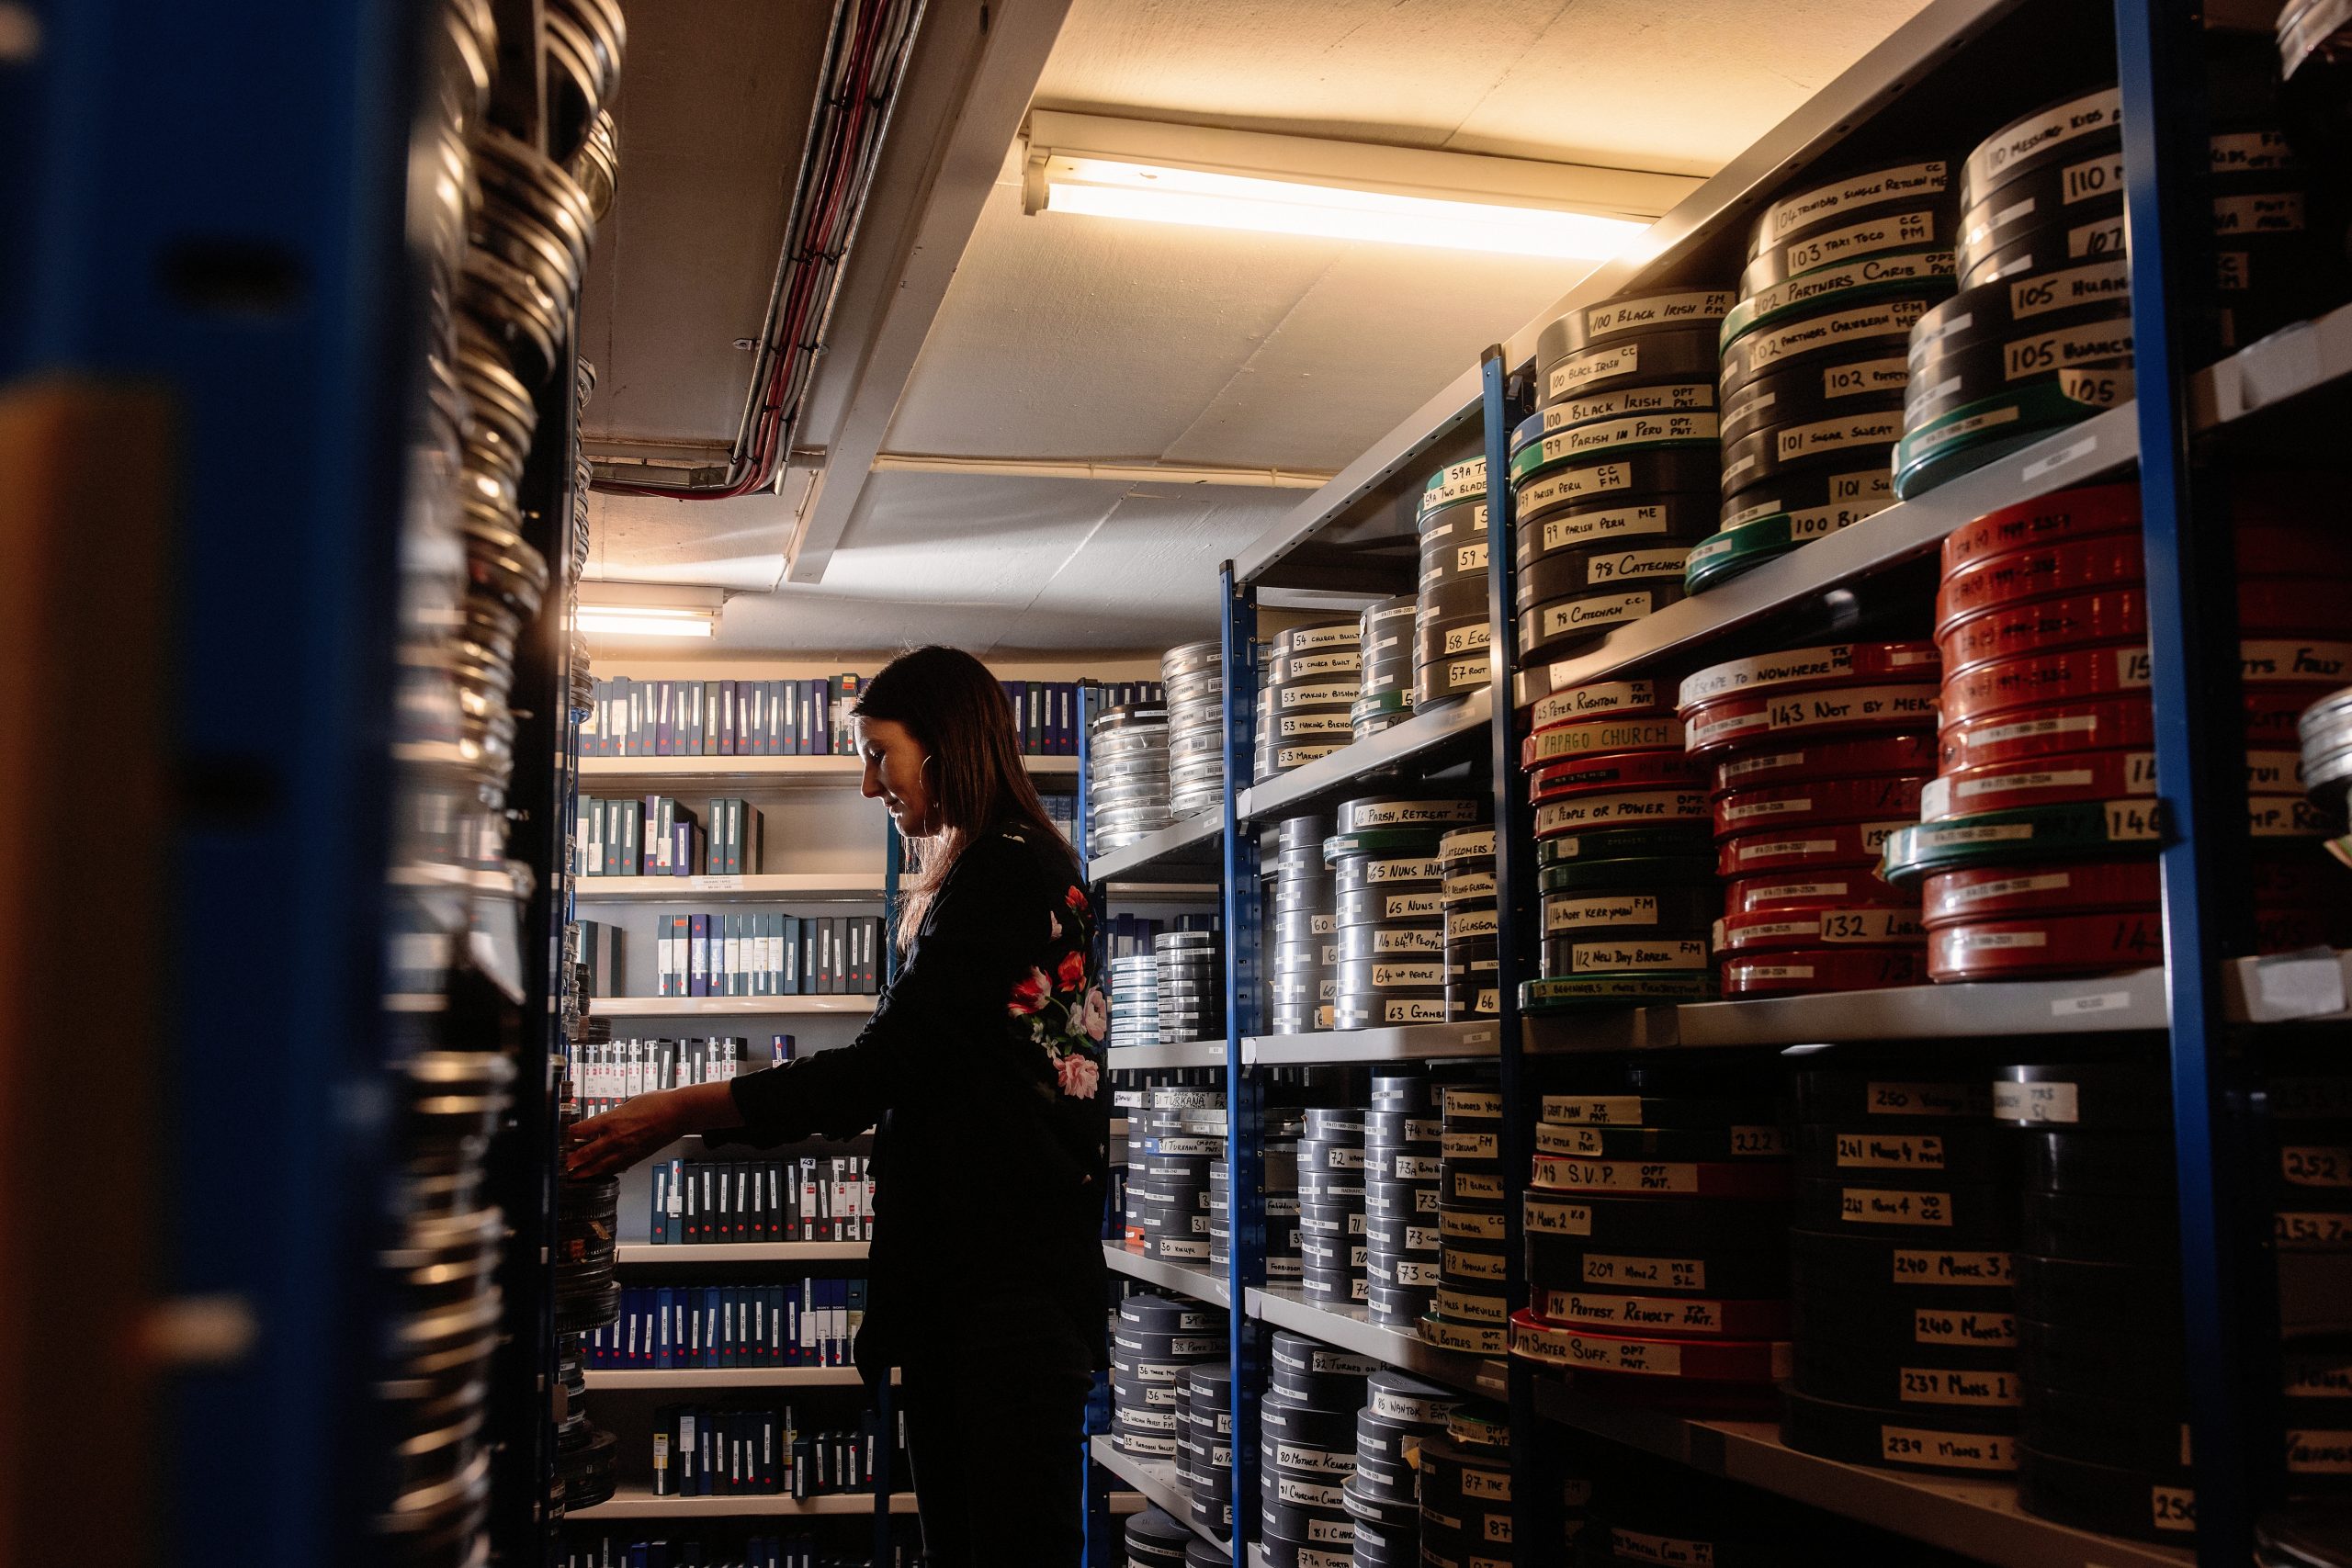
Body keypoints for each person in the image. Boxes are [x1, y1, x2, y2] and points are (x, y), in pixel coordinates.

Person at [566, 645, 1108, 1566]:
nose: (869, 785)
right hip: (981, 1292)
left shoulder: (1004, 875)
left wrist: (671, 1113)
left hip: (1001, 1303)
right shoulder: (1006, 869)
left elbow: (875, 1071)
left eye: (878, 755)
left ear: (943, 748)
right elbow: (924, 1069)